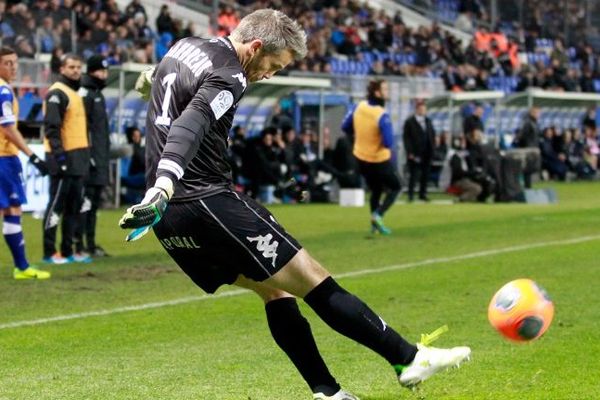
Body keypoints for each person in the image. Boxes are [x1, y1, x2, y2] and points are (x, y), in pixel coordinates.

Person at [119, 10, 470, 400]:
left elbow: (166, 81)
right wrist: (164, 186)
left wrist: (150, 84)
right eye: (273, 65)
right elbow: (192, 122)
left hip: (169, 221)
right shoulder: (231, 74)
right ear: (254, 47)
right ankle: (408, 358)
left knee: (276, 291)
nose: (269, 75)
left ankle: (327, 392)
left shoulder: (184, 47)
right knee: (313, 279)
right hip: (204, 200)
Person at [0, 46, 51, 279]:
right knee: (12, 209)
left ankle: (22, 266)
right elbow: (8, 128)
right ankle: (22, 267)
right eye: (7, 63)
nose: (13, 67)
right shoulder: (3, 91)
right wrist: (32, 155)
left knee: (11, 210)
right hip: (4, 158)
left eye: (15, 62)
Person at [42, 53, 92, 264]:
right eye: (71, 67)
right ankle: (49, 252)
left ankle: (68, 250)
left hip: (78, 157)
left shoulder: (75, 93)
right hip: (63, 156)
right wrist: (59, 156)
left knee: (74, 207)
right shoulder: (57, 93)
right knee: (56, 205)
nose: (75, 70)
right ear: (62, 69)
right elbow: (52, 129)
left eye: (78, 67)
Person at [341, 79, 401, 235]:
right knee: (396, 186)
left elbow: (345, 126)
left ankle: (374, 227)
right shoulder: (381, 114)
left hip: (361, 158)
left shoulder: (358, 107)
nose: (387, 93)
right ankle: (378, 215)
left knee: (376, 189)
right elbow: (388, 142)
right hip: (378, 159)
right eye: (385, 89)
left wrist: (360, 137)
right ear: (377, 92)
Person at [75, 55, 110, 258]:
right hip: (90, 159)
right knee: (85, 202)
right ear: (91, 72)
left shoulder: (97, 94)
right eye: (100, 71)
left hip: (99, 157)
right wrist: (89, 155)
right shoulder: (86, 94)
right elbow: (82, 127)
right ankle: (80, 244)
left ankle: (90, 243)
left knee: (93, 203)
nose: (103, 75)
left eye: (105, 72)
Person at [403, 99, 435, 202]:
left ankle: (423, 194)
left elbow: (431, 134)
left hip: (427, 152)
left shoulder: (428, 121)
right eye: (421, 109)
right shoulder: (409, 122)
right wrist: (410, 152)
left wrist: (433, 147)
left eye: (424, 109)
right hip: (415, 152)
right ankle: (411, 195)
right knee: (414, 174)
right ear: (416, 110)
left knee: (425, 175)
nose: (423, 111)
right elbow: (406, 138)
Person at [515, 106, 542, 188]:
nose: (538, 114)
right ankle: (527, 186)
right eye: (536, 112)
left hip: (533, 148)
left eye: (539, 113)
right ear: (531, 112)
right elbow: (522, 136)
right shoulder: (528, 123)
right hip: (529, 149)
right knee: (528, 169)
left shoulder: (535, 123)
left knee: (531, 168)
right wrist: (525, 147)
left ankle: (528, 186)